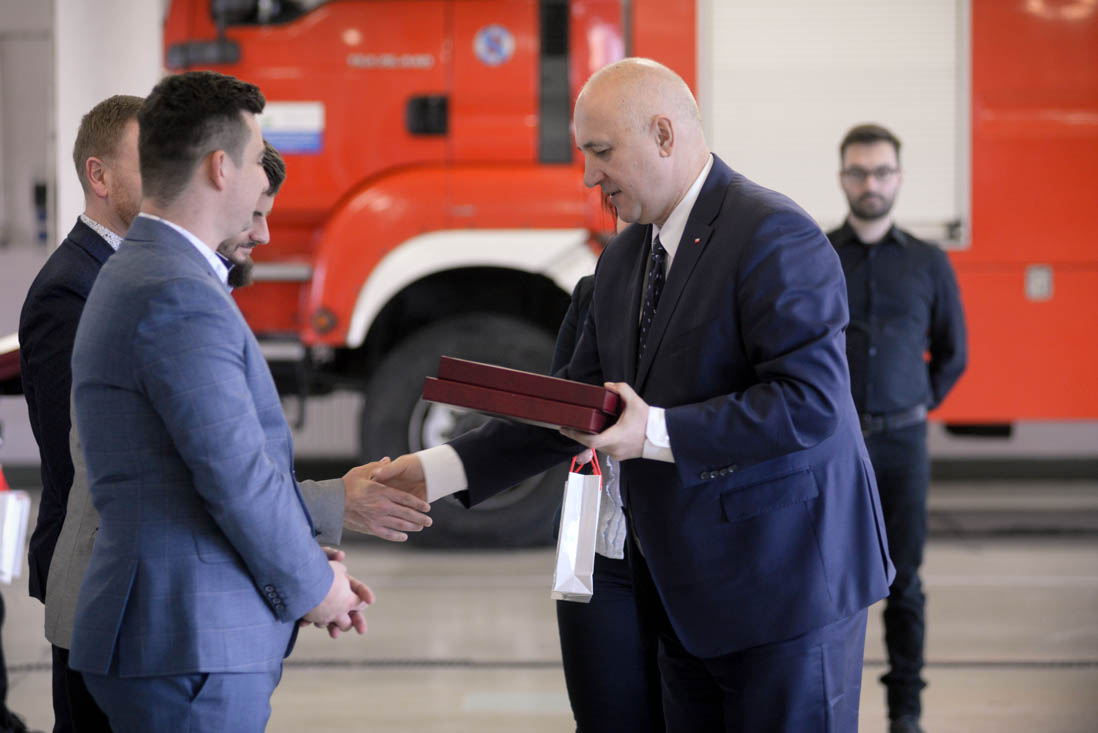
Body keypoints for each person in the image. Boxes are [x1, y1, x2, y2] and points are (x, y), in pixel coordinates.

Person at [373, 57, 894, 732]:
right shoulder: (624, 257)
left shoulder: (773, 234)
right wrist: (436, 471)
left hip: (786, 586)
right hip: (683, 593)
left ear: (663, 135)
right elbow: (575, 404)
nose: (589, 176)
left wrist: (653, 431)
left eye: (601, 151)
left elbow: (810, 404)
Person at [67, 71, 372, 732]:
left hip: (178, 629)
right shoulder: (175, 291)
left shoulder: (148, 270)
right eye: (258, 159)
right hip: (187, 640)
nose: (265, 176)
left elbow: (182, 481)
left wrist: (301, 560)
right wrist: (315, 587)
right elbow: (236, 475)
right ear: (219, 167)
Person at [828, 123, 967, 733]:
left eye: (882, 172)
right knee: (830, 581)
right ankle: (830, 704)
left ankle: (905, 713)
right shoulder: (818, 255)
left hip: (904, 445)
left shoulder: (928, 262)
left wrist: (914, 402)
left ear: (899, 178)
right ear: (842, 178)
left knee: (904, 581)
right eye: (859, 172)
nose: (871, 183)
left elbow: (953, 353)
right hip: (835, 446)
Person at [18, 94, 144, 733]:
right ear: (100, 176)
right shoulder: (72, 285)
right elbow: (80, 450)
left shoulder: (120, 273)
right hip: (91, 568)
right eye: (150, 162)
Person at [552, 275, 663, 733]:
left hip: (686, 549)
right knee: (602, 717)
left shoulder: (722, 286)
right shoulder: (595, 290)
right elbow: (560, 403)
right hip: (595, 540)